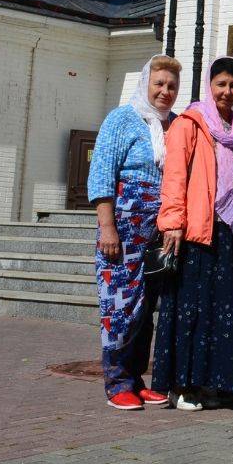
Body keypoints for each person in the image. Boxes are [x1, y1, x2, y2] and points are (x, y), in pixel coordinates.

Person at [152, 57, 233, 411]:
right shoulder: (190, 123)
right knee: (193, 309)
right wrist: (172, 220)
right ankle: (184, 386)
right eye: (221, 84)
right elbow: (174, 175)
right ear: (209, 85)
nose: (227, 91)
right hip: (195, 230)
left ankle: (216, 383)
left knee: (223, 309)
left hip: (229, 230)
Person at [87, 54, 181, 410]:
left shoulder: (174, 125)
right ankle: (116, 382)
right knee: (120, 304)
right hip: (123, 230)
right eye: (159, 83)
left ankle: (137, 378)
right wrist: (107, 226)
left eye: (171, 86)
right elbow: (101, 175)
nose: (165, 91)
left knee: (146, 306)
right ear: (146, 83)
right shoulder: (122, 119)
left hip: (157, 233)